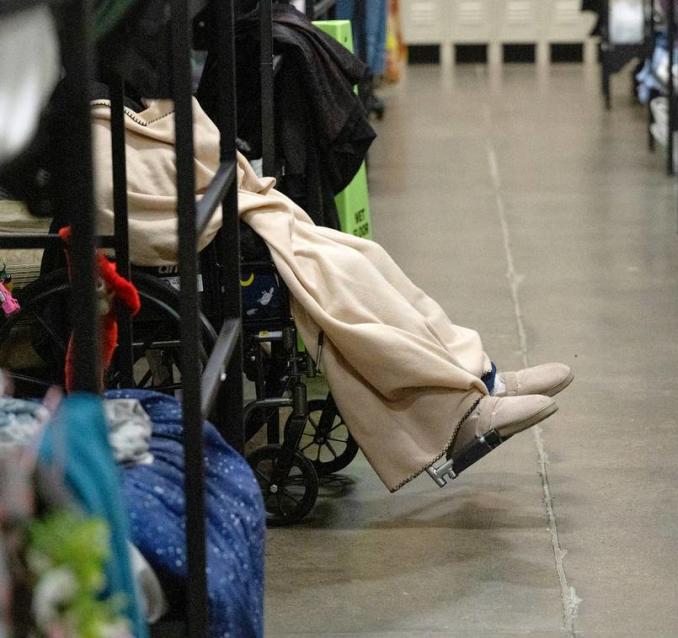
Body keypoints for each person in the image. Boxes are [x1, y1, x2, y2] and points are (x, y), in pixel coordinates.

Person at [91, 97, 573, 492]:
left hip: (248, 219)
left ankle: (479, 377)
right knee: (345, 292)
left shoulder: (141, 93)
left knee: (367, 259)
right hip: (214, 248)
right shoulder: (95, 127)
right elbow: (142, 217)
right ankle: (457, 415)